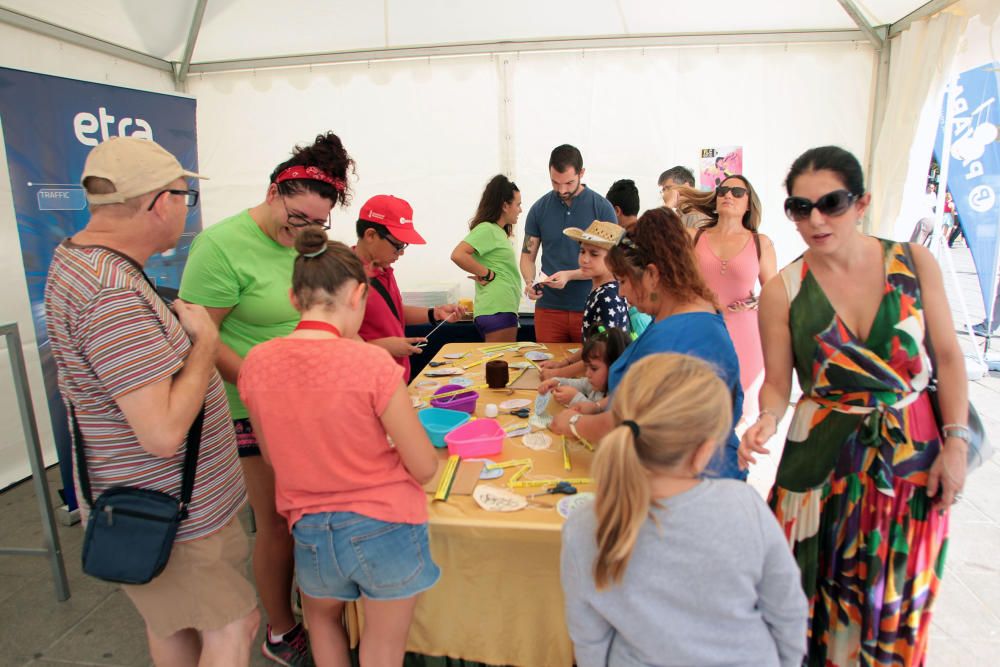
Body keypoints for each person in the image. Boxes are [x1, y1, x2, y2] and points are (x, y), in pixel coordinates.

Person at [739, 146, 968, 667]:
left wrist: (956, 442)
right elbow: (777, 383)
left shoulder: (914, 261)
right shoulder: (783, 290)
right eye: (800, 207)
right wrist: (767, 420)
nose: (815, 219)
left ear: (862, 202)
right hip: (819, 468)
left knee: (897, 605)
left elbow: (949, 358)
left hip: (911, 464)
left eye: (831, 203)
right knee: (807, 605)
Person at [45, 137, 258, 665]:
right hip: (174, 513)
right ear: (161, 202)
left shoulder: (80, 260)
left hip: (152, 505)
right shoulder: (110, 294)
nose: (187, 207)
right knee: (233, 626)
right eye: (185, 195)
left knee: (174, 626)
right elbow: (162, 433)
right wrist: (205, 343)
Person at [179, 131, 355, 665]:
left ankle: (322, 613)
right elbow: (200, 339)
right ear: (274, 192)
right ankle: (282, 630)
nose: (303, 232)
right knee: (277, 518)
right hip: (248, 405)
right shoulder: (221, 246)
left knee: (321, 512)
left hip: (312, 403)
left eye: (319, 224)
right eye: (297, 218)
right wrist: (262, 390)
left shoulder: (311, 245)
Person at [239, 228, 439, 667]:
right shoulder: (370, 361)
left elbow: (273, 457)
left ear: (294, 299)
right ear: (358, 296)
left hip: (309, 530)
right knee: (382, 644)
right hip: (384, 524)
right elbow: (424, 467)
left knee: (323, 623)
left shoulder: (256, 363)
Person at [561, 353, 808, 667]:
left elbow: (589, 641)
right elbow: (788, 613)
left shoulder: (584, 526)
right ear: (705, 450)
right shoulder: (745, 507)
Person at [549, 208, 746, 481]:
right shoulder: (691, 315)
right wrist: (601, 406)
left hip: (688, 483)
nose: (621, 292)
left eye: (624, 281)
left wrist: (575, 424)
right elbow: (654, 398)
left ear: (652, 275)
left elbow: (632, 422)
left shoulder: (672, 335)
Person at [679, 175, 777, 421]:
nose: (728, 195)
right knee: (694, 413)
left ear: (748, 204)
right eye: (722, 191)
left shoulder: (760, 243)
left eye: (737, 192)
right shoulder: (693, 236)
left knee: (732, 419)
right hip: (699, 332)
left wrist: (760, 300)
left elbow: (775, 294)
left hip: (744, 336)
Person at [353, 194, 464, 380]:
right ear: (370, 235)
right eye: (397, 245)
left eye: (404, 245)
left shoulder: (383, 269)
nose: (402, 253)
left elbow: (392, 312)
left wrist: (435, 313)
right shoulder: (344, 277)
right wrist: (383, 347)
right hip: (366, 384)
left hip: (394, 381)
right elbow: (333, 343)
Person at [520, 144, 619, 342]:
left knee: (590, 366)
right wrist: (531, 282)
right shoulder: (539, 209)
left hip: (591, 306)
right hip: (548, 309)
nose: (561, 189)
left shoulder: (602, 208)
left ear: (582, 173)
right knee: (548, 366)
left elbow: (612, 264)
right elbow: (527, 257)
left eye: (568, 183)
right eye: (555, 183)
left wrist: (570, 275)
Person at [539, 220, 630, 381]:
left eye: (594, 254)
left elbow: (602, 354)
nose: (585, 259)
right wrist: (564, 363)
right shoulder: (599, 290)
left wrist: (557, 374)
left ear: (614, 260)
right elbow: (594, 344)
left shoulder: (607, 297)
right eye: (582, 251)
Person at [450, 175, 523, 342]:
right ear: (505, 205)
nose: (520, 210)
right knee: (500, 364)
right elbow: (458, 254)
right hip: (498, 309)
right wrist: (487, 273)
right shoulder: (488, 229)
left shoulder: (497, 231)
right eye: (518, 204)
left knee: (499, 362)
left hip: (499, 308)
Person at [538, 326, 629, 410]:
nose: (587, 374)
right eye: (586, 367)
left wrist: (575, 398)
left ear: (615, 367)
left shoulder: (619, 398)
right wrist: (557, 382)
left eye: (594, 368)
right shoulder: (597, 385)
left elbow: (599, 418)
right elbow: (580, 384)